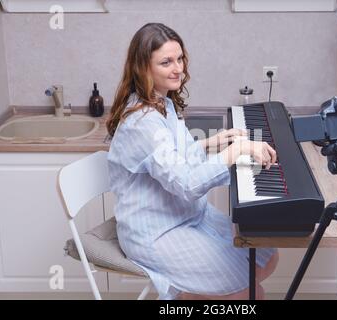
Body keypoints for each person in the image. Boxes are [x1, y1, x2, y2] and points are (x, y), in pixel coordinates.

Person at [106, 22, 279, 300]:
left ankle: (189, 295)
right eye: (166, 62)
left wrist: (216, 142)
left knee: (267, 258)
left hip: (187, 214)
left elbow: (177, 159)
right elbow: (186, 183)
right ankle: (186, 296)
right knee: (250, 294)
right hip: (156, 231)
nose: (178, 68)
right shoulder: (142, 122)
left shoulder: (163, 103)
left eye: (180, 58)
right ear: (143, 68)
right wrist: (238, 151)